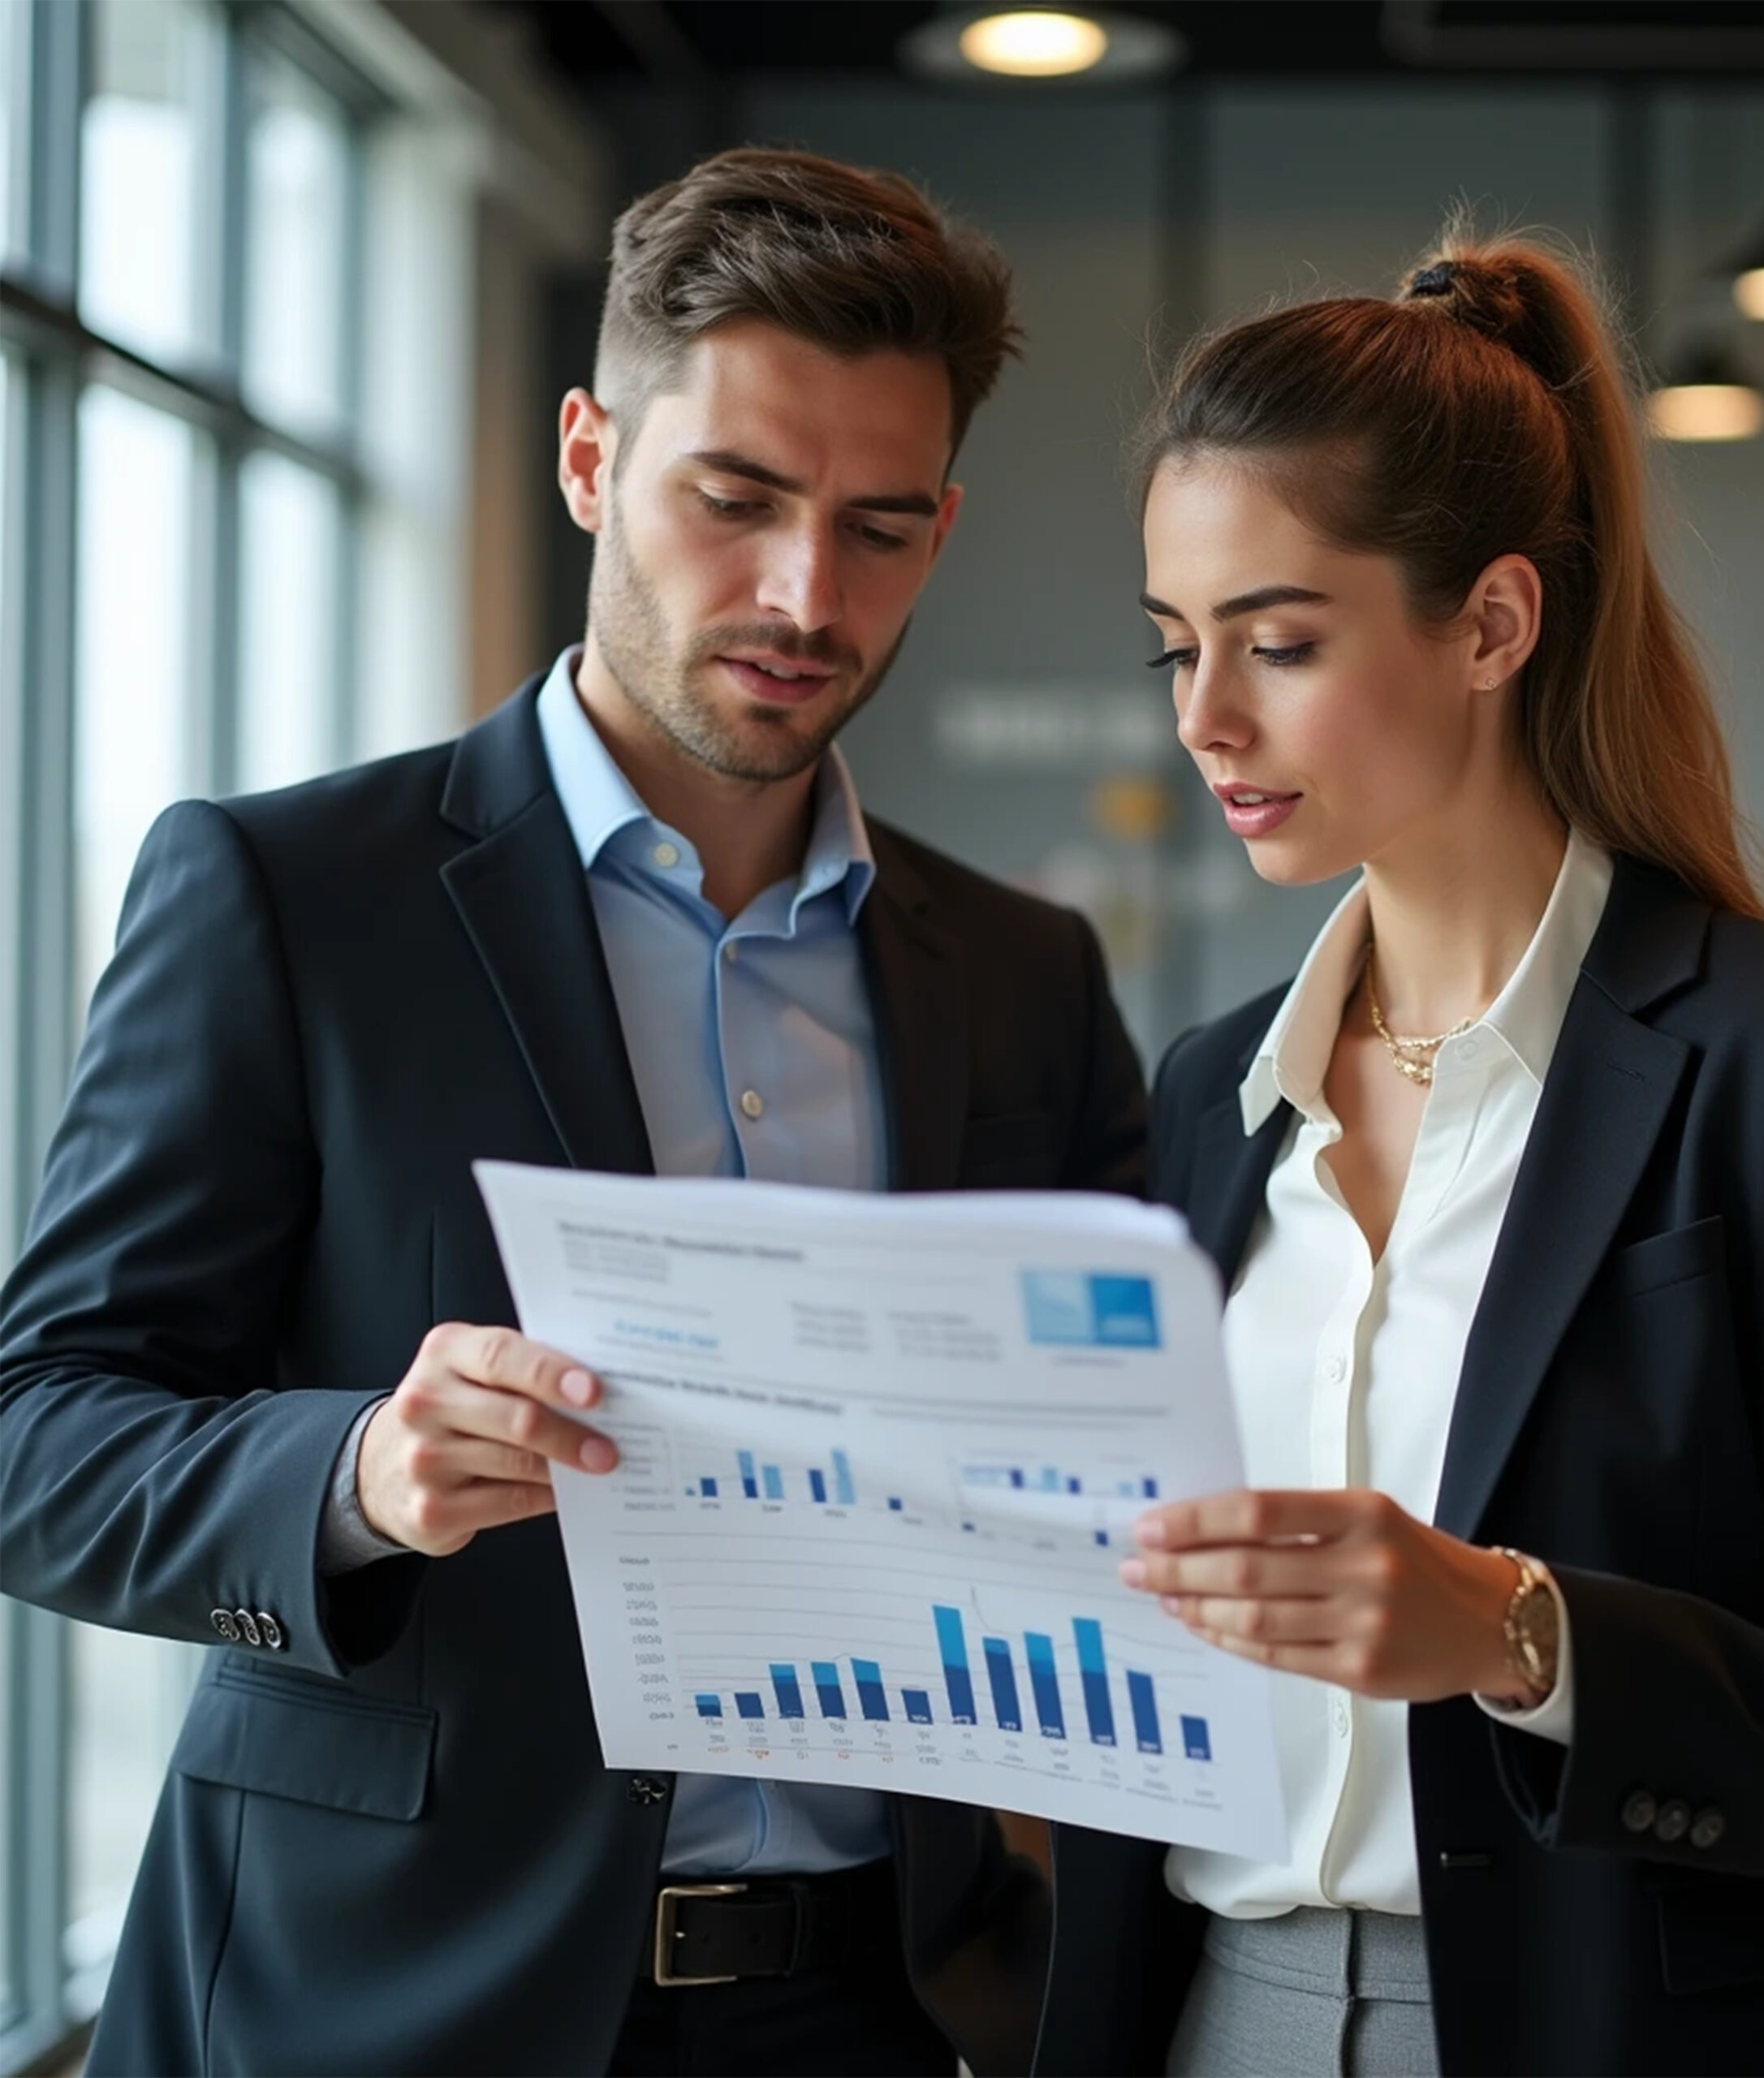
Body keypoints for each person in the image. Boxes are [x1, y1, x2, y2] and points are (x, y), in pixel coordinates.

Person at [0, 148, 1144, 2078]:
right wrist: (356, 1472)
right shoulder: (291, 894)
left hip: (871, 2011)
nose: (806, 593)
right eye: (736, 499)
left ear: (942, 529)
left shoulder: (1024, 974)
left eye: (878, 527)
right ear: (589, 456)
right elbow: (40, 1435)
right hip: (380, 2002)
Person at [1037, 234, 1764, 2076]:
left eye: (1278, 640)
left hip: (1608, 2033)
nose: (1203, 720)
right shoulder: (1204, 1092)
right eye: (1178, 648)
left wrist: (1520, 1630)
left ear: (1489, 623)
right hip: (1200, 2015)